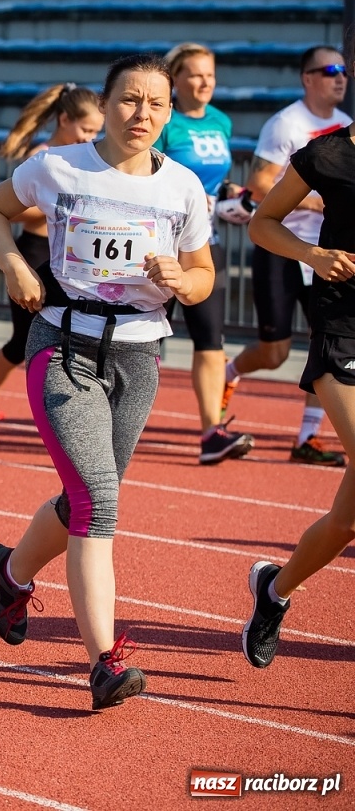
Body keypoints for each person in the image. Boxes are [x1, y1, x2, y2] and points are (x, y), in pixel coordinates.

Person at [0, 53, 214, 710]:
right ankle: (105, 662)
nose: (143, 115)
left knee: (86, 495)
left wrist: (183, 282)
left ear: (170, 114)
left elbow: (204, 275)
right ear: (104, 106)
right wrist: (13, 267)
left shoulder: (183, 188)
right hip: (64, 345)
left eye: (156, 105)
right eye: (130, 100)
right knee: (100, 500)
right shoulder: (58, 166)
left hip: (139, 355)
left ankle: (13, 571)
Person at [240, 113, 355, 667]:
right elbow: (263, 222)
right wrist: (313, 256)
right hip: (343, 329)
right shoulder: (326, 154)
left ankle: (274, 590)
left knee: (348, 520)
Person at [223, 46, 350, 467]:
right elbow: (258, 185)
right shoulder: (287, 124)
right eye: (329, 70)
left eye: (343, 71)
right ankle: (229, 373)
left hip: (331, 254)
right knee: (275, 352)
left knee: (324, 339)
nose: (339, 77)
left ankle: (308, 437)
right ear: (307, 78)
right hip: (286, 247)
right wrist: (316, 200)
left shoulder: (348, 127)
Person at [0, 84, 103, 450]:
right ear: (64, 120)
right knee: (25, 342)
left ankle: (70, 419)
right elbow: (16, 212)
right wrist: (54, 208)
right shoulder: (44, 158)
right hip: (35, 255)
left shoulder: (89, 160)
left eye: (96, 132)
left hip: (73, 258)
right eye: (86, 130)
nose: (91, 138)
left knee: (69, 339)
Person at [154, 44, 256, 465]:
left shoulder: (221, 121)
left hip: (200, 244)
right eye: (195, 75)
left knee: (211, 340)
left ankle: (211, 432)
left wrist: (230, 195)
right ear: (175, 80)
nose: (205, 82)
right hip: (157, 246)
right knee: (145, 342)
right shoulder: (165, 122)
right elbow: (148, 171)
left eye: (210, 74)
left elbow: (217, 180)